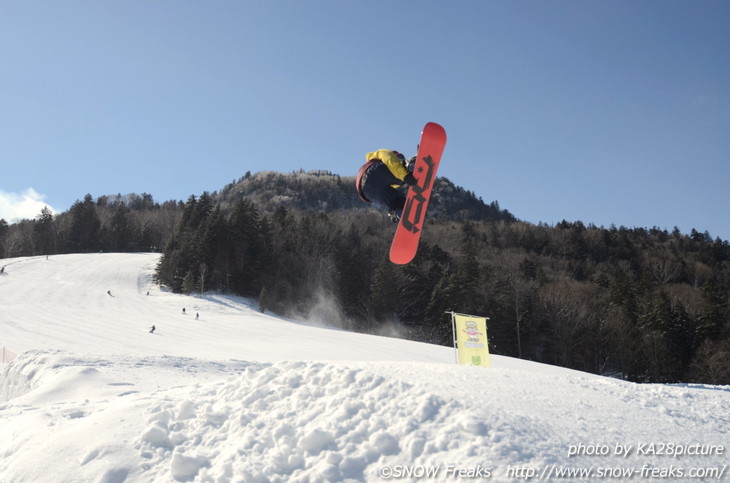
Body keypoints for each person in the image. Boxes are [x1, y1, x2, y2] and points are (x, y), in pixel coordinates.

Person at [356, 149, 417, 222]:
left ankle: (398, 213)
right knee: (400, 169)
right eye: (400, 158)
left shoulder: (392, 182)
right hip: (374, 173)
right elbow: (390, 160)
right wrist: (405, 175)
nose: (401, 158)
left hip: (367, 192)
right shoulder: (380, 154)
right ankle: (410, 164)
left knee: (397, 203)